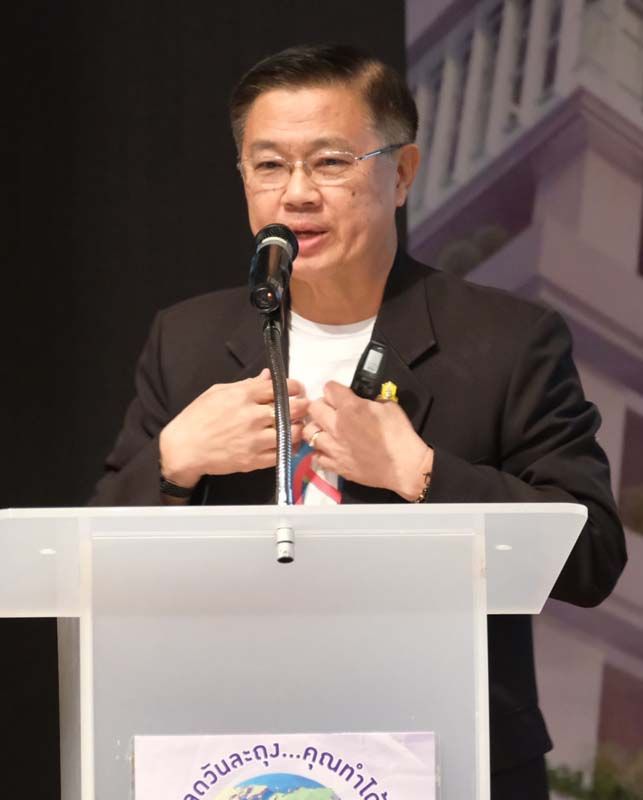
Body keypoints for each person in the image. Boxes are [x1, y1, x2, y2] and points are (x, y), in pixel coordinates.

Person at [91, 44, 627, 798]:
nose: (296, 194)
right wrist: (174, 462)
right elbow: (90, 566)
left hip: (440, 752)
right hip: (231, 755)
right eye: (268, 165)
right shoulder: (186, 341)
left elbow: (592, 557)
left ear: (401, 173)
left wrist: (421, 474)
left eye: (330, 163)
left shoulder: (507, 342)